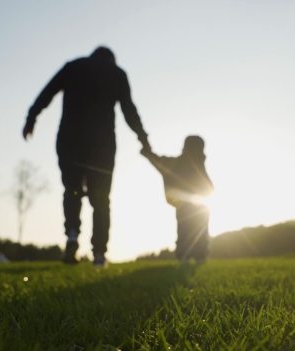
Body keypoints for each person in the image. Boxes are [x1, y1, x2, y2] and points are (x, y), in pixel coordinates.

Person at [22, 46, 150, 266]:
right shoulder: (117, 73)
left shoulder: (73, 67)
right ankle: (99, 254)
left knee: (72, 191)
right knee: (101, 200)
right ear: (111, 59)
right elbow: (129, 109)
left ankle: (72, 235)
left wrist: (31, 117)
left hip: (70, 140)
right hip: (102, 145)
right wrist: (143, 138)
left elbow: (47, 92)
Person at [141, 136, 213, 263]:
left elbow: (157, 160)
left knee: (187, 230)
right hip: (197, 206)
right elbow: (209, 187)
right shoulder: (198, 163)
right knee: (195, 231)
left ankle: (189, 255)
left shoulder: (181, 163)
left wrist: (147, 152)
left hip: (189, 206)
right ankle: (197, 256)